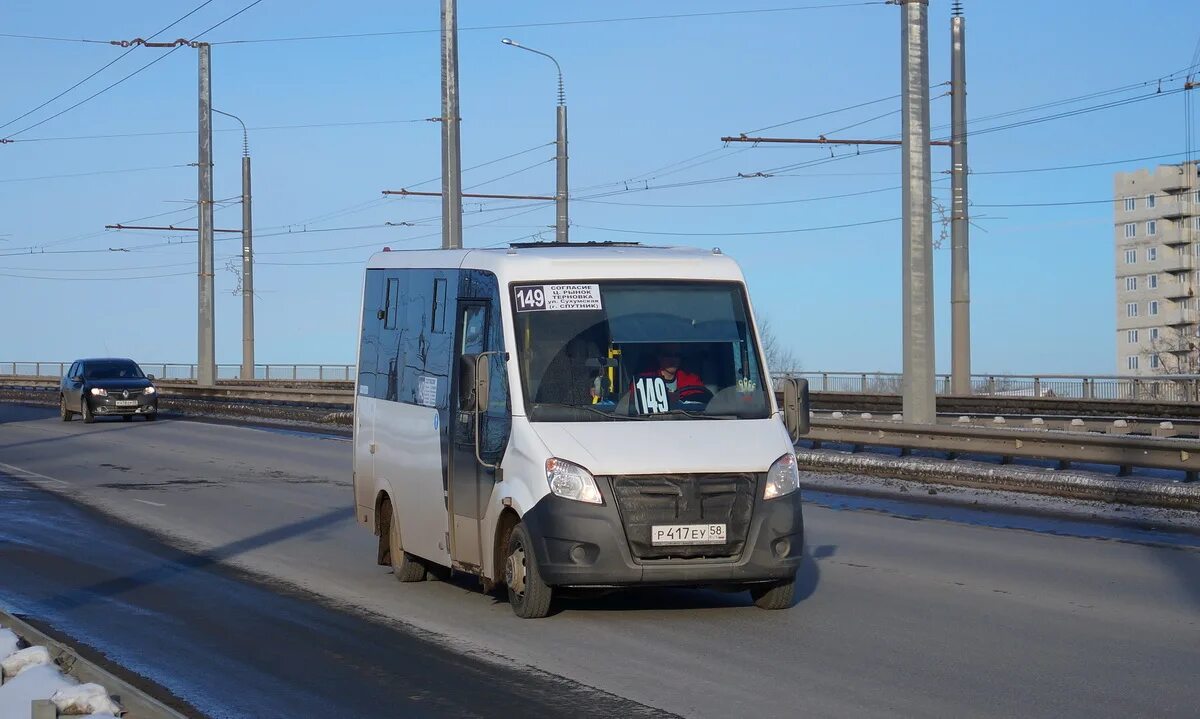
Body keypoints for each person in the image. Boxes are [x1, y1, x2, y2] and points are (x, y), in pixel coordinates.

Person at [630, 343, 711, 413]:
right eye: (668, 355)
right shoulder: (644, 380)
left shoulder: (692, 379)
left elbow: (702, 402)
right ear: (659, 357)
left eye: (677, 355)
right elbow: (633, 403)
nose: (673, 359)